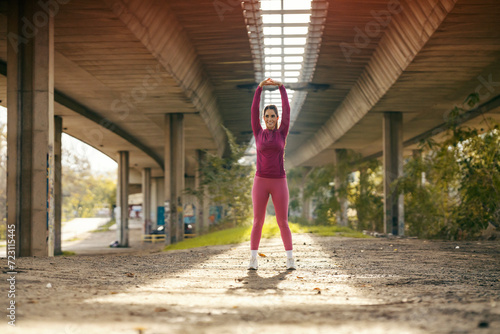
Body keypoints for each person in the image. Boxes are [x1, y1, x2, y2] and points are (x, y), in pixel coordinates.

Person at [248, 78, 296, 270]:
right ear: (263, 118)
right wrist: (259, 89)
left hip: (279, 182)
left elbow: (287, 110)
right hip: (260, 181)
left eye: (272, 116)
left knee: (282, 221)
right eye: (266, 116)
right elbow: (252, 111)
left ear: (277, 118)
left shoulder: (282, 132)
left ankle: (290, 259)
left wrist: (281, 88)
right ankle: (253, 260)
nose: (269, 118)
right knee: (258, 221)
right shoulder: (258, 132)